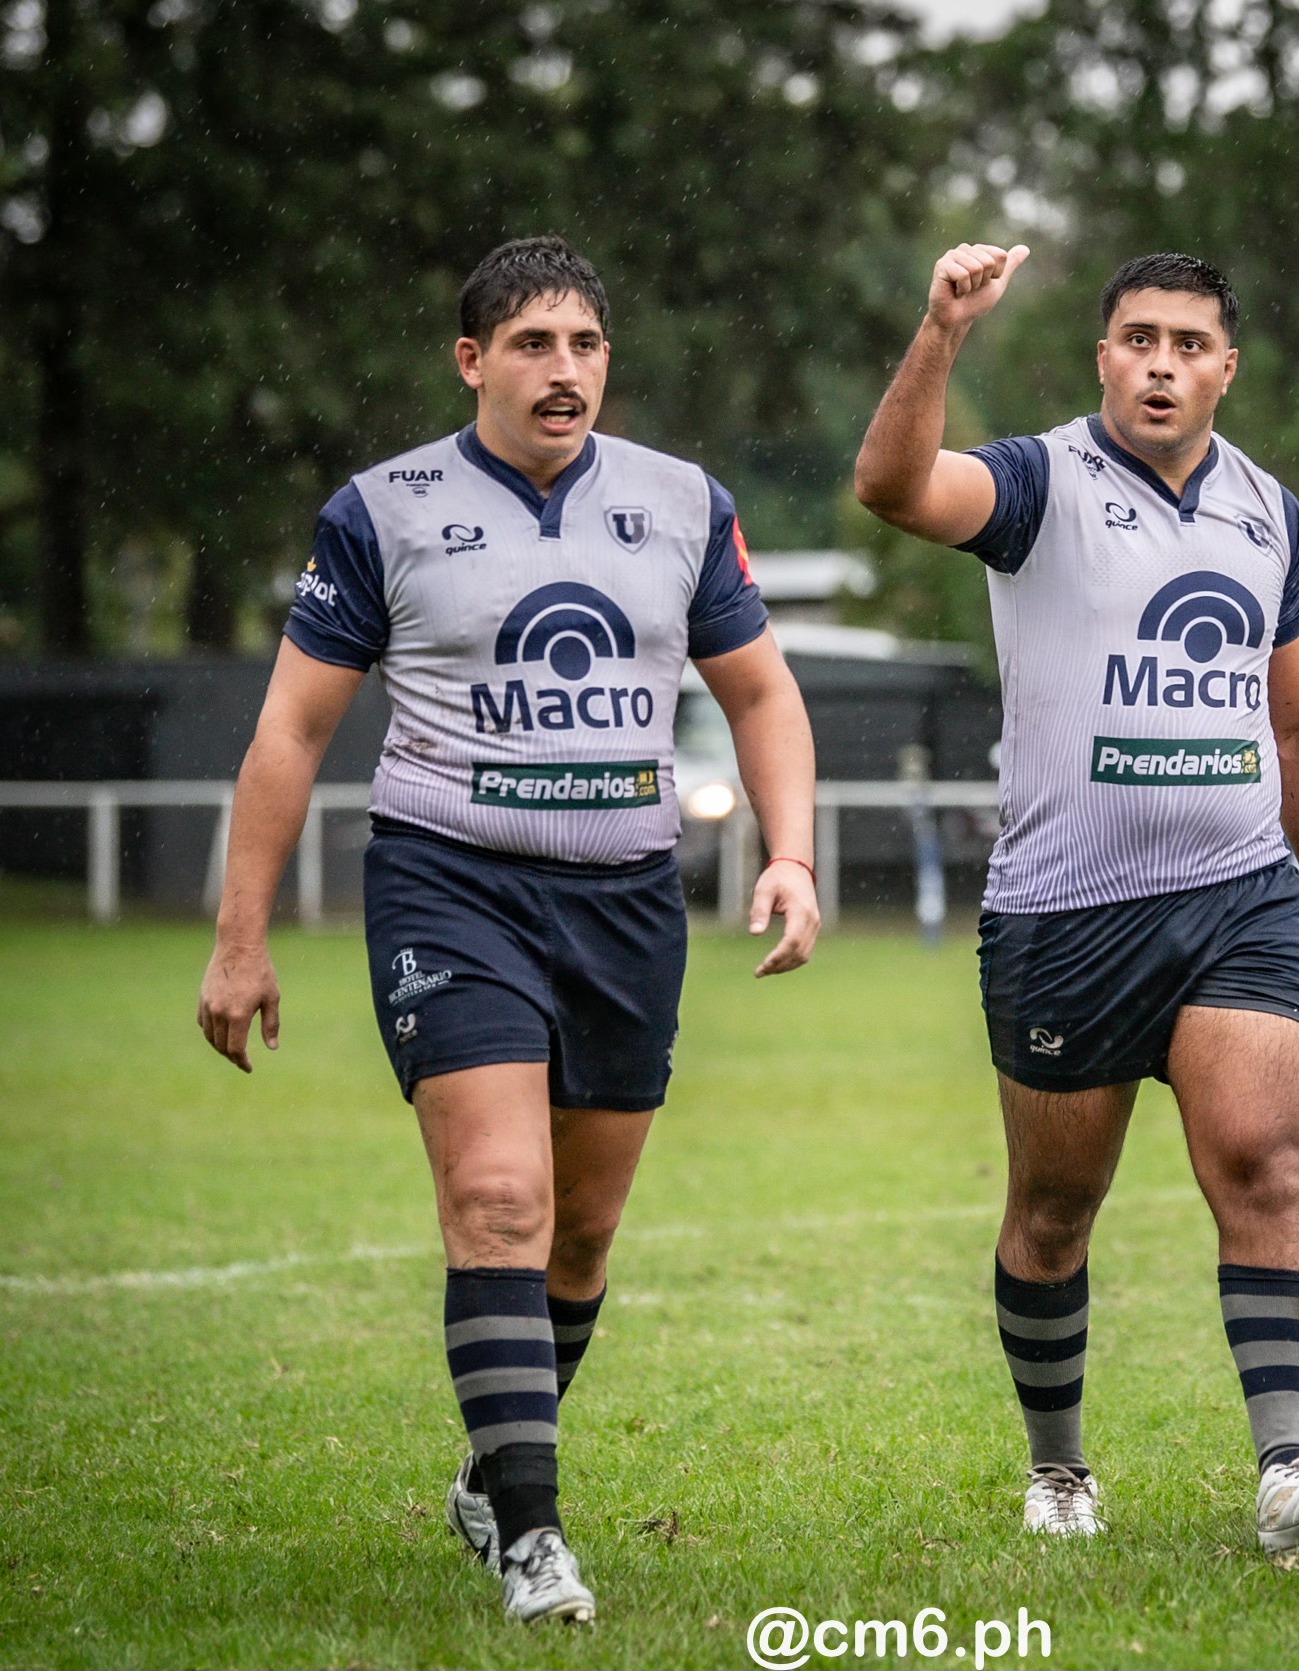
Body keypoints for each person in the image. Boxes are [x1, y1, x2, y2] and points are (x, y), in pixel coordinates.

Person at [196, 236, 820, 1623]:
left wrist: (790, 854)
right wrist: (240, 934)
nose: (564, 370)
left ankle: (490, 1472)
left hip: (625, 899)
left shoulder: (680, 502)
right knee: (497, 1198)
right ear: (471, 359)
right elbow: (292, 729)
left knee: (580, 1238)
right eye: (533, 343)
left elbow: (764, 694)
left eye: (586, 344)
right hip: (451, 883)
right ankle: (536, 1539)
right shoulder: (384, 510)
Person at [854, 244, 1299, 1558]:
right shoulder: (1039, 482)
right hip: (1063, 915)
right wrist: (940, 331)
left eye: (1188, 342)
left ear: (1226, 366)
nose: (1161, 362)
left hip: (1237, 897)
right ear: (1102, 356)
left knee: (1263, 1166)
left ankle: (1286, 1471)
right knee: (1053, 1210)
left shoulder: (1272, 511)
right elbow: (891, 486)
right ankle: (1058, 1468)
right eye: (1137, 338)